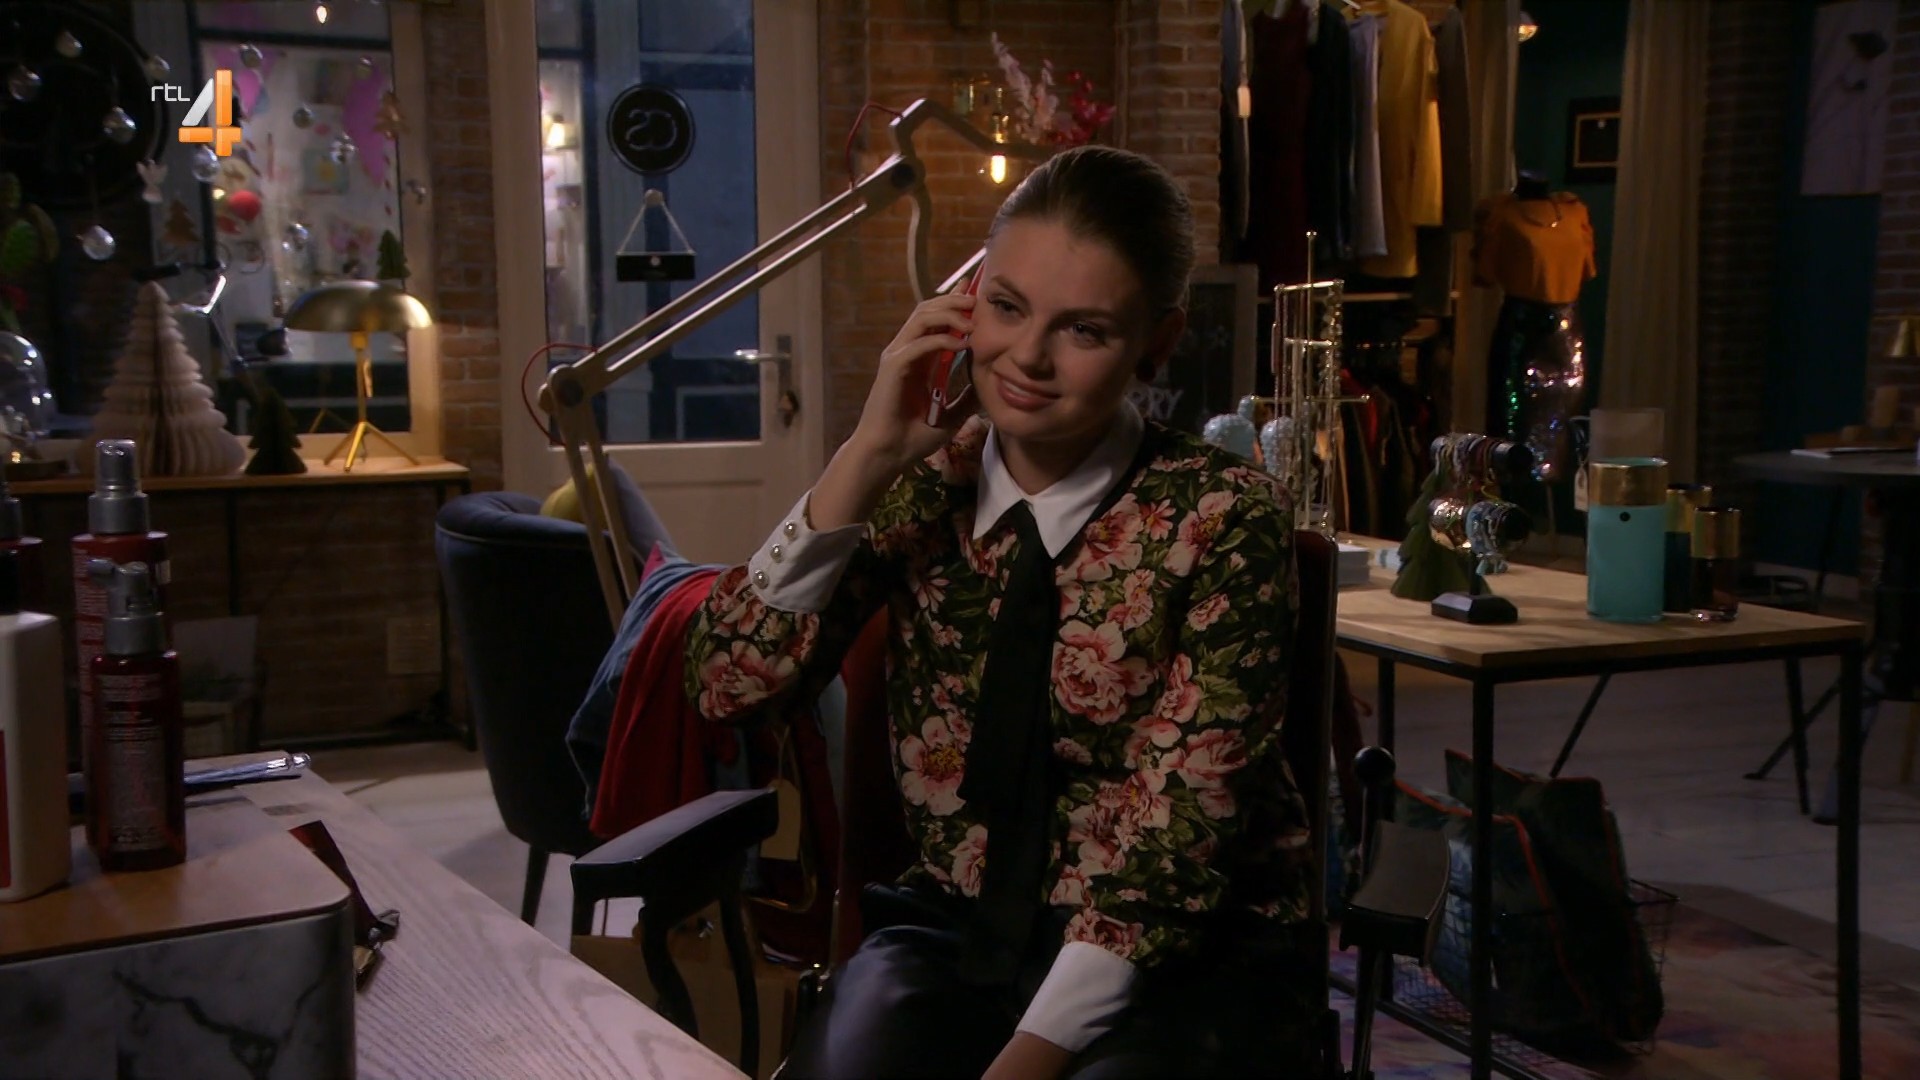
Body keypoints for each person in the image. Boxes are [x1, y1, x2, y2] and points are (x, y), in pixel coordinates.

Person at [685, 145, 1318, 1079]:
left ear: (1158, 341)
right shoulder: (915, 487)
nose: (1027, 357)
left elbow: (1179, 841)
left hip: (1187, 945)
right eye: (1007, 307)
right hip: (960, 923)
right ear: (966, 300)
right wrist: (865, 456)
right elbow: (728, 686)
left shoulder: (1225, 516)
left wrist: (1021, 1064)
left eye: (1084, 330)